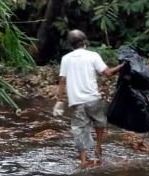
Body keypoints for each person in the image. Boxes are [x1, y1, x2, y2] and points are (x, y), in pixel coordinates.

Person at [53, 29, 123, 168]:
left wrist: (59, 101)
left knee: (79, 129)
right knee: (100, 122)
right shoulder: (93, 55)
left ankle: (84, 160)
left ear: (70, 44)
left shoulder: (66, 59)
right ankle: (98, 147)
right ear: (84, 42)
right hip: (93, 99)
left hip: (76, 101)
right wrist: (122, 66)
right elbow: (108, 73)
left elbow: (62, 81)